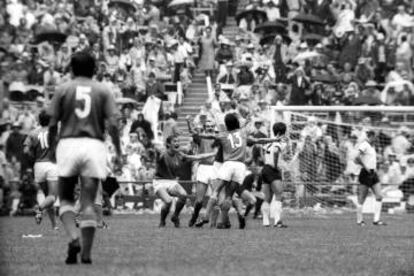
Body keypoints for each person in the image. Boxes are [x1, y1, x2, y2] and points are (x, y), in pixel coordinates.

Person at [48, 52, 122, 264]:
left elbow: (52, 123)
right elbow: (114, 125)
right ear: (95, 69)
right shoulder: (103, 90)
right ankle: (87, 254)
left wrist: (53, 146)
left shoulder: (63, 89)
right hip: (93, 145)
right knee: (89, 201)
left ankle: (73, 238)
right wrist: (118, 151)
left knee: (66, 199)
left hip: (69, 143)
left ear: (71, 68)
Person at [154, 135, 216, 228]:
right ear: (168, 144)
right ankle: (162, 221)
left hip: (172, 181)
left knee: (183, 194)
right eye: (174, 141)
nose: (177, 143)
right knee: (168, 201)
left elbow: (197, 157)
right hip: (159, 182)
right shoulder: (163, 153)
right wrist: (158, 150)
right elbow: (156, 148)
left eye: (178, 141)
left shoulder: (180, 155)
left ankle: (175, 216)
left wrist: (212, 154)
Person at [23, 110, 58, 229]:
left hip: (38, 165)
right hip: (52, 165)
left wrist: (34, 157)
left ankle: (54, 226)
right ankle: (39, 208)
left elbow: (26, 151)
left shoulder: (33, 133)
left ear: (39, 120)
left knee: (48, 196)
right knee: (53, 197)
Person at [354, 131, 386, 226]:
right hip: (365, 173)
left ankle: (376, 220)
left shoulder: (373, 146)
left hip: (373, 173)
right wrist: (366, 167)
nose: (377, 139)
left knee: (379, 196)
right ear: (371, 136)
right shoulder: (364, 144)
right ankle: (359, 221)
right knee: (362, 198)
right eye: (375, 137)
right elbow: (356, 158)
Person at [261, 122, 289, 228]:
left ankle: (265, 221)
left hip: (265, 169)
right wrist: (276, 165)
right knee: (279, 194)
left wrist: (266, 162)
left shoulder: (268, 142)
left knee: (267, 197)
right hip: (273, 169)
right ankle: (277, 221)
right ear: (282, 131)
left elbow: (262, 151)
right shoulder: (278, 143)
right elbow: (277, 151)